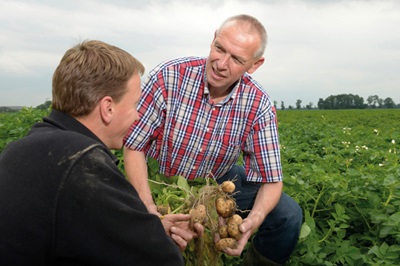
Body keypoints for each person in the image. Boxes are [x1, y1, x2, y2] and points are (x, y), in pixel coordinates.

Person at [124, 14, 303, 265]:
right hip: (158, 179)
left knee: (288, 215)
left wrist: (254, 220)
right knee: (157, 246)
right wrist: (146, 204)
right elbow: (134, 145)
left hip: (217, 181)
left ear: (254, 64)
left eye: (237, 59)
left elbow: (271, 179)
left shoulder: (258, 103)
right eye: (220, 49)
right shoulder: (170, 76)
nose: (221, 64)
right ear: (213, 40)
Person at [0, 40, 186, 265]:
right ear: (108, 108)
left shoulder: (21, 149)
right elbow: (161, 260)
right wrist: (158, 240)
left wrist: (147, 228)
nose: (137, 116)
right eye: (134, 104)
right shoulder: (83, 162)